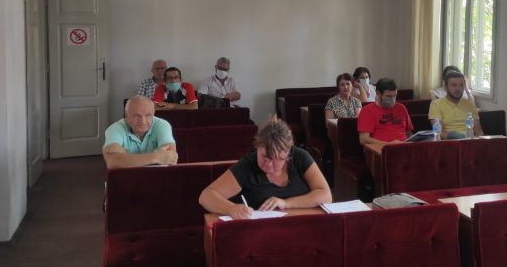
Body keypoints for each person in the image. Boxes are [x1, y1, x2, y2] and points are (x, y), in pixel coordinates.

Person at [199, 118, 331, 219]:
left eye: (275, 159)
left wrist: (286, 203)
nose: (268, 163)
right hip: (261, 232)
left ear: (287, 154)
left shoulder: (300, 157)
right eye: (263, 156)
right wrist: (231, 208)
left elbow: (325, 195)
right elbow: (206, 196)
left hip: (301, 224)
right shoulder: (247, 165)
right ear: (257, 147)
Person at [102, 95, 178, 169]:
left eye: (148, 115)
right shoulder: (114, 129)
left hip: (156, 175)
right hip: (127, 176)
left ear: (153, 114)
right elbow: (113, 162)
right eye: (136, 116)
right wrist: (156, 157)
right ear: (126, 116)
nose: (142, 121)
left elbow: (171, 159)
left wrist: (125, 157)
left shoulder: (162, 125)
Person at [428, 70, 483, 139]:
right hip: (449, 142)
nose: (458, 88)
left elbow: (479, 131)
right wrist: (453, 136)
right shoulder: (436, 104)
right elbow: (438, 132)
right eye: (454, 85)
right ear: (446, 87)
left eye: (461, 85)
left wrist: (483, 142)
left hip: (469, 140)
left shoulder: (470, 104)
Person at [357, 78, 413, 145]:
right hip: (380, 148)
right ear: (378, 93)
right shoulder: (367, 110)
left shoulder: (401, 108)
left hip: (403, 146)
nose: (392, 99)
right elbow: (364, 139)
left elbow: (409, 133)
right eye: (388, 96)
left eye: (394, 95)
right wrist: (389, 144)